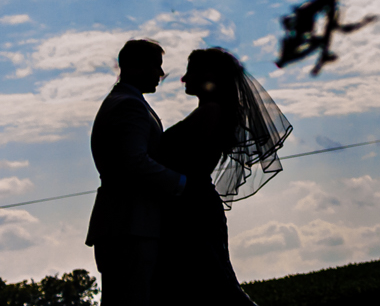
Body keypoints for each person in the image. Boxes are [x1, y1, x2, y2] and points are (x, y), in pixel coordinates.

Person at [150, 48, 293, 306]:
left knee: (213, 286)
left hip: (192, 209)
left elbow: (188, 160)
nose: (183, 79)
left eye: (190, 71)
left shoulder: (211, 112)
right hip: (191, 205)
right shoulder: (213, 110)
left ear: (208, 75)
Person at [85, 41, 188, 306]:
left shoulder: (122, 101)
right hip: (131, 224)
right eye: (155, 66)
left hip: (124, 223)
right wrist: (181, 183)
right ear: (133, 67)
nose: (160, 74)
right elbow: (134, 161)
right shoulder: (129, 106)